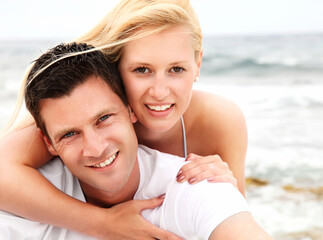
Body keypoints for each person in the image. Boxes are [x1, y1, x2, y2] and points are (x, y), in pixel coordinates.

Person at [0, 0, 248, 238]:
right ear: (117, 69)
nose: (159, 92)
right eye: (142, 70)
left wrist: (225, 182)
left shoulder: (219, 120)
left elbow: (232, 217)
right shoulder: (83, 117)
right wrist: (101, 224)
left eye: (176, 69)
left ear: (197, 65)